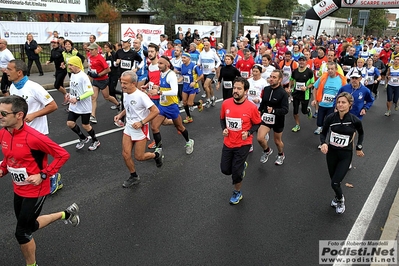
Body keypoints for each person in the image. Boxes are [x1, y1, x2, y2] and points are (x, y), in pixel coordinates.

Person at [0, 95, 78, 266]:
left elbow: (62, 155)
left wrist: (43, 175)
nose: (0, 116)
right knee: (30, 226)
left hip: (35, 190)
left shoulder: (34, 137)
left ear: (19, 115)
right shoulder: (3, 133)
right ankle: (65, 214)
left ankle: (32, 265)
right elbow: (10, 157)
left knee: (22, 233)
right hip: (18, 188)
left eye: (4, 113)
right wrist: (3, 169)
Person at [6, 59, 63, 194]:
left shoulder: (34, 87)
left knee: (40, 162)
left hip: (37, 132)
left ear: (19, 72)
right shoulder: (13, 87)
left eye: (9, 69)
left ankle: (54, 177)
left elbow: (53, 105)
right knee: (28, 162)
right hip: (21, 132)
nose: (6, 71)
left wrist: (34, 115)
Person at [114, 71, 163, 188]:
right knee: (125, 154)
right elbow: (129, 107)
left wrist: (142, 122)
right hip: (129, 126)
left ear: (134, 83)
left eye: (125, 83)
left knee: (139, 157)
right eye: (121, 82)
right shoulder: (125, 93)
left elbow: (155, 111)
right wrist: (121, 115)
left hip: (140, 128)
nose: (123, 85)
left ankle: (156, 155)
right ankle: (134, 176)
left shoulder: (141, 96)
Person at [320, 92, 365, 214]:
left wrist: (359, 147)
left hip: (345, 154)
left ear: (350, 104)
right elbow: (323, 133)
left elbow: (361, 133)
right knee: (333, 180)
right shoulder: (331, 118)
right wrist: (323, 143)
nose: (340, 104)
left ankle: (340, 200)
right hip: (332, 153)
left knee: (335, 182)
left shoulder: (354, 120)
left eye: (343, 102)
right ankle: (337, 196)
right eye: (338, 102)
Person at [220, 76, 261, 205]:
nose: (235, 91)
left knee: (236, 173)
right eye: (234, 88)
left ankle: (237, 192)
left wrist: (248, 132)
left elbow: (257, 123)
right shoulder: (226, 103)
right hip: (228, 141)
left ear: (246, 91)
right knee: (225, 170)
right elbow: (222, 119)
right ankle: (242, 166)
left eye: (239, 88)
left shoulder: (251, 107)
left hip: (243, 143)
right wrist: (224, 129)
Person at [147, 56, 195, 154]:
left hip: (172, 106)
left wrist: (159, 92)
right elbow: (164, 87)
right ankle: (159, 148)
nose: (158, 65)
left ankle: (189, 141)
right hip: (162, 106)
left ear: (167, 65)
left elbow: (174, 91)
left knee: (180, 127)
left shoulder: (171, 75)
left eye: (161, 63)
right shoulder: (162, 73)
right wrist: (154, 87)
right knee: (154, 127)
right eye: (158, 63)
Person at [66, 56, 101, 151]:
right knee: (70, 123)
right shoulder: (73, 74)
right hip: (74, 106)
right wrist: (69, 94)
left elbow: (90, 92)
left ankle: (95, 140)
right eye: (69, 64)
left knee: (85, 125)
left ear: (77, 65)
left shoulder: (83, 77)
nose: (69, 67)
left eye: (71, 65)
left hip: (84, 106)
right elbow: (74, 88)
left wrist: (77, 98)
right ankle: (82, 138)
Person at [257, 70, 289, 165]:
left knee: (277, 141)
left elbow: (285, 110)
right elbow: (263, 103)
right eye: (271, 77)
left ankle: (280, 154)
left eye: (274, 77)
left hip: (278, 120)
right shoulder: (266, 89)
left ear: (280, 80)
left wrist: (274, 110)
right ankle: (267, 150)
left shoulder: (283, 93)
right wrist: (259, 110)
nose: (271, 79)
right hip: (266, 118)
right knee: (260, 138)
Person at [86, 43, 120, 124]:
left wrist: (98, 74)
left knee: (107, 97)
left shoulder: (100, 58)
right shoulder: (90, 57)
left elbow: (108, 70)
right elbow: (91, 67)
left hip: (103, 80)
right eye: (89, 50)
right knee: (93, 97)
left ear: (96, 50)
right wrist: (90, 73)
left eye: (91, 50)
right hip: (95, 80)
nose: (90, 51)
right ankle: (93, 116)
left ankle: (118, 104)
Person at [312, 62, 347, 136]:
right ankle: (320, 127)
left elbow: (345, 93)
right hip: (322, 104)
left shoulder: (341, 80)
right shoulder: (323, 78)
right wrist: (315, 100)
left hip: (332, 106)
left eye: (332, 69)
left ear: (336, 69)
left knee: (328, 123)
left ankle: (324, 139)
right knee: (319, 121)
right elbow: (315, 88)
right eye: (329, 69)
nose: (330, 70)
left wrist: (340, 106)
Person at [289, 56, 314, 132]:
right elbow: (291, 79)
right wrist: (290, 87)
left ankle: (307, 110)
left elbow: (312, 83)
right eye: (300, 61)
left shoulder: (309, 72)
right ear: (298, 62)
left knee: (303, 111)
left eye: (303, 61)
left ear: (306, 62)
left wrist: (306, 87)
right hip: (296, 93)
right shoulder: (295, 71)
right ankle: (297, 125)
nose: (301, 62)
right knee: (295, 110)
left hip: (305, 94)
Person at [179, 52, 204, 123]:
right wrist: (177, 81)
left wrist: (195, 81)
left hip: (192, 87)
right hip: (185, 86)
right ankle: (189, 117)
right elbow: (182, 76)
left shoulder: (194, 66)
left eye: (184, 58)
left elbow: (201, 75)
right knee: (184, 102)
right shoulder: (182, 66)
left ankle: (199, 103)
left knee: (190, 103)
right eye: (182, 58)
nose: (183, 59)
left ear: (189, 58)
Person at [197, 41, 221, 108]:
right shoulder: (201, 53)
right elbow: (199, 61)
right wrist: (198, 64)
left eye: (206, 45)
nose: (205, 47)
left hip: (211, 72)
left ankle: (208, 99)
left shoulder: (213, 53)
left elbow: (219, 61)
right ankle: (213, 97)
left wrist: (215, 68)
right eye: (204, 45)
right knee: (209, 86)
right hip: (204, 72)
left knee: (205, 86)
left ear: (209, 46)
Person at [46, 38, 68, 105]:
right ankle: (66, 97)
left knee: (57, 85)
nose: (53, 44)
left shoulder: (62, 51)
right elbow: (52, 58)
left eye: (55, 43)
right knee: (60, 85)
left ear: (58, 44)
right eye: (52, 43)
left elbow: (66, 58)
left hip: (63, 70)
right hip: (57, 70)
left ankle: (67, 95)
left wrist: (63, 63)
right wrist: (49, 61)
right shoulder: (52, 51)